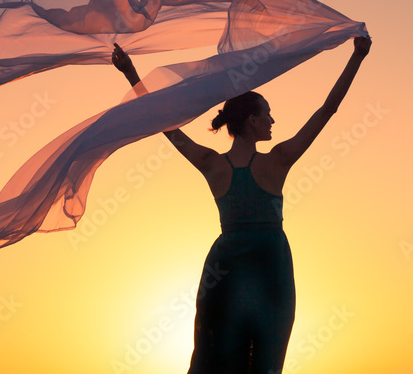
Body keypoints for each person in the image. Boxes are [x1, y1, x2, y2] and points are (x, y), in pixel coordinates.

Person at [111, 35, 371, 374]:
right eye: (268, 114)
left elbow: (164, 124)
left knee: (218, 358)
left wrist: (131, 73)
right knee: (262, 363)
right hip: (269, 267)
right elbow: (327, 109)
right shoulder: (279, 160)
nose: (272, 121)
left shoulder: (213, 164)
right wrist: (357, 57)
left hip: (227, 267)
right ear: (252, 120)